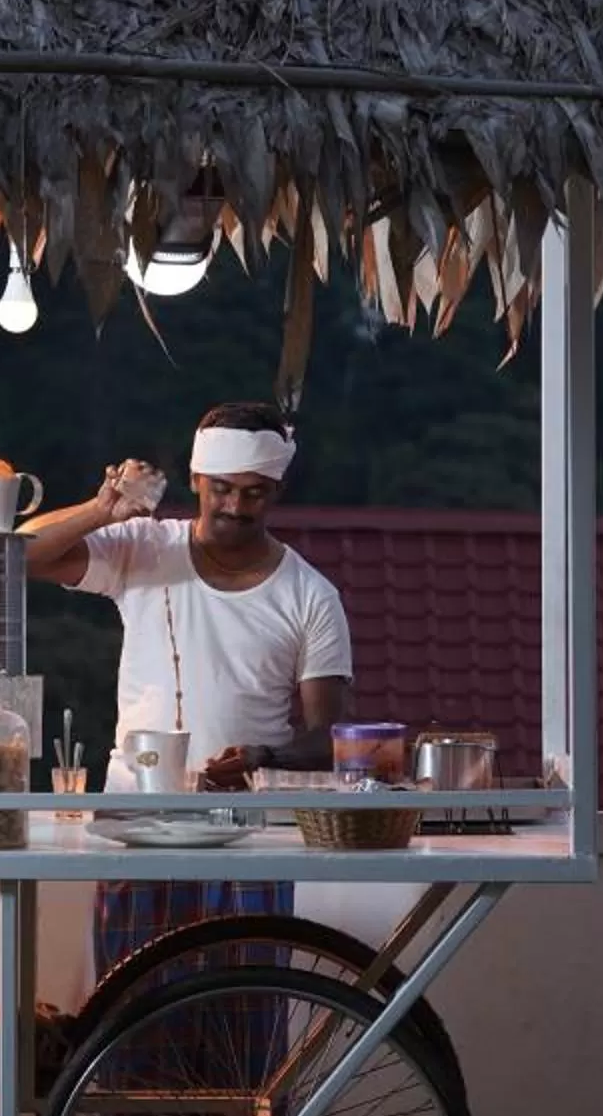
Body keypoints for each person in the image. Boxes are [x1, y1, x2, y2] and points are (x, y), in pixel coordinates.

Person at [21, 400, 354, 972]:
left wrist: (262, 756)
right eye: (222, 488)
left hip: (250, 836)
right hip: (137, 828)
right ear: (197, 480)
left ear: (276, 490)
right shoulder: (143, 546)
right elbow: (18, 556)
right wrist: (102, 509)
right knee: (129, 1015)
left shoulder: (311, 596)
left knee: (245, 1024)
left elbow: (330, 738)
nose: (236, 506)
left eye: (255, 492)